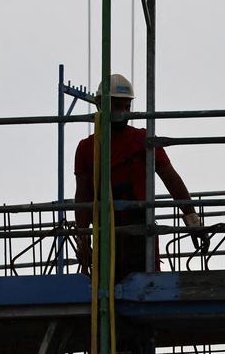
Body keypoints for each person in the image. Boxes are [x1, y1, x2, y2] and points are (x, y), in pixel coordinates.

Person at [74, 74, 207, 281]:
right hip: (106, 231)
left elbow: (171, 179)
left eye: (127, 107)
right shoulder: (87, 148)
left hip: (140, 231)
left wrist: (192, 219)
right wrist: (82, 239)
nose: (123, 112)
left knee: (147, 284)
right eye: (117, 106)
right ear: (101, 105)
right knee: (106, 290)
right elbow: (82, 197)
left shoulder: (142, 140)